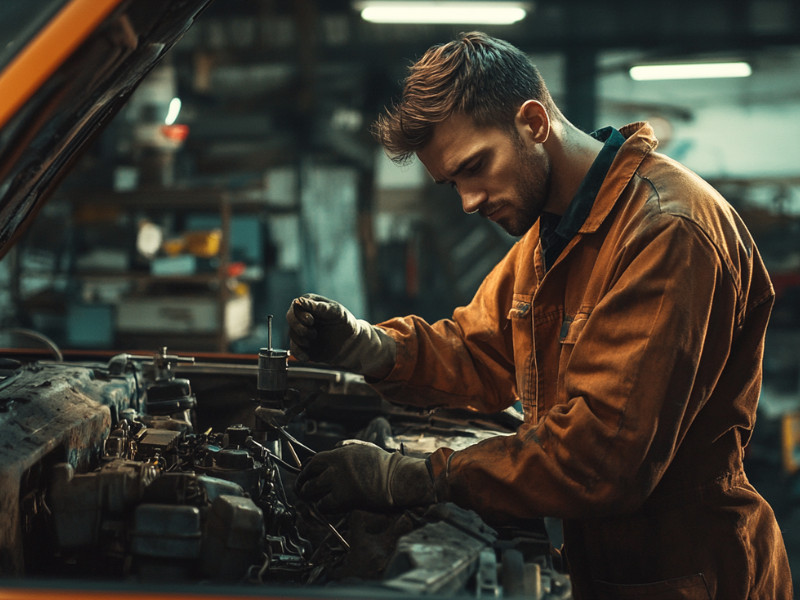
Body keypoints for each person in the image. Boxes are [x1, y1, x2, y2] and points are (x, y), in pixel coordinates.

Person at [287, 31, 793, 599]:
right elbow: (478, 350)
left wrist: (411, 477)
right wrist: (369, 346)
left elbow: (597, 458)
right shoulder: (553, 234)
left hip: (694, 575)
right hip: (611, 566)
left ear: (532, 122)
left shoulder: (666, 231)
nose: (468, 201)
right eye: (452, 183)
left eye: (475, 166)